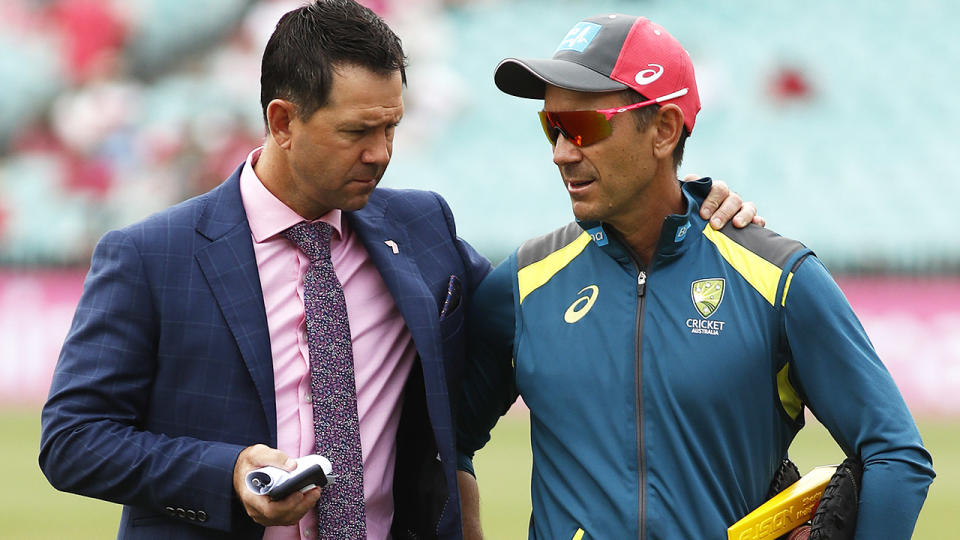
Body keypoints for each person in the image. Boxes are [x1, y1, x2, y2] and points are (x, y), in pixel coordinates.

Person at [38, 1, 755, 539]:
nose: (382, 153)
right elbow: (72, 440)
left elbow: (551, 291)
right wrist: (226, 474)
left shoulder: (422, 229)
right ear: (282, 121)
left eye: (391, 127)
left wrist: (688, 211)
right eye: (358, 131)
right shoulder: (149, 256)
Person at [455, 13, 935, 540]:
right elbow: (444, 440)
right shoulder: (522, 285)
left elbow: (895, 455)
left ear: (662, 130)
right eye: (551, 126)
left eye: (584, 128)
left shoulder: (778, 279)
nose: (561, 153)